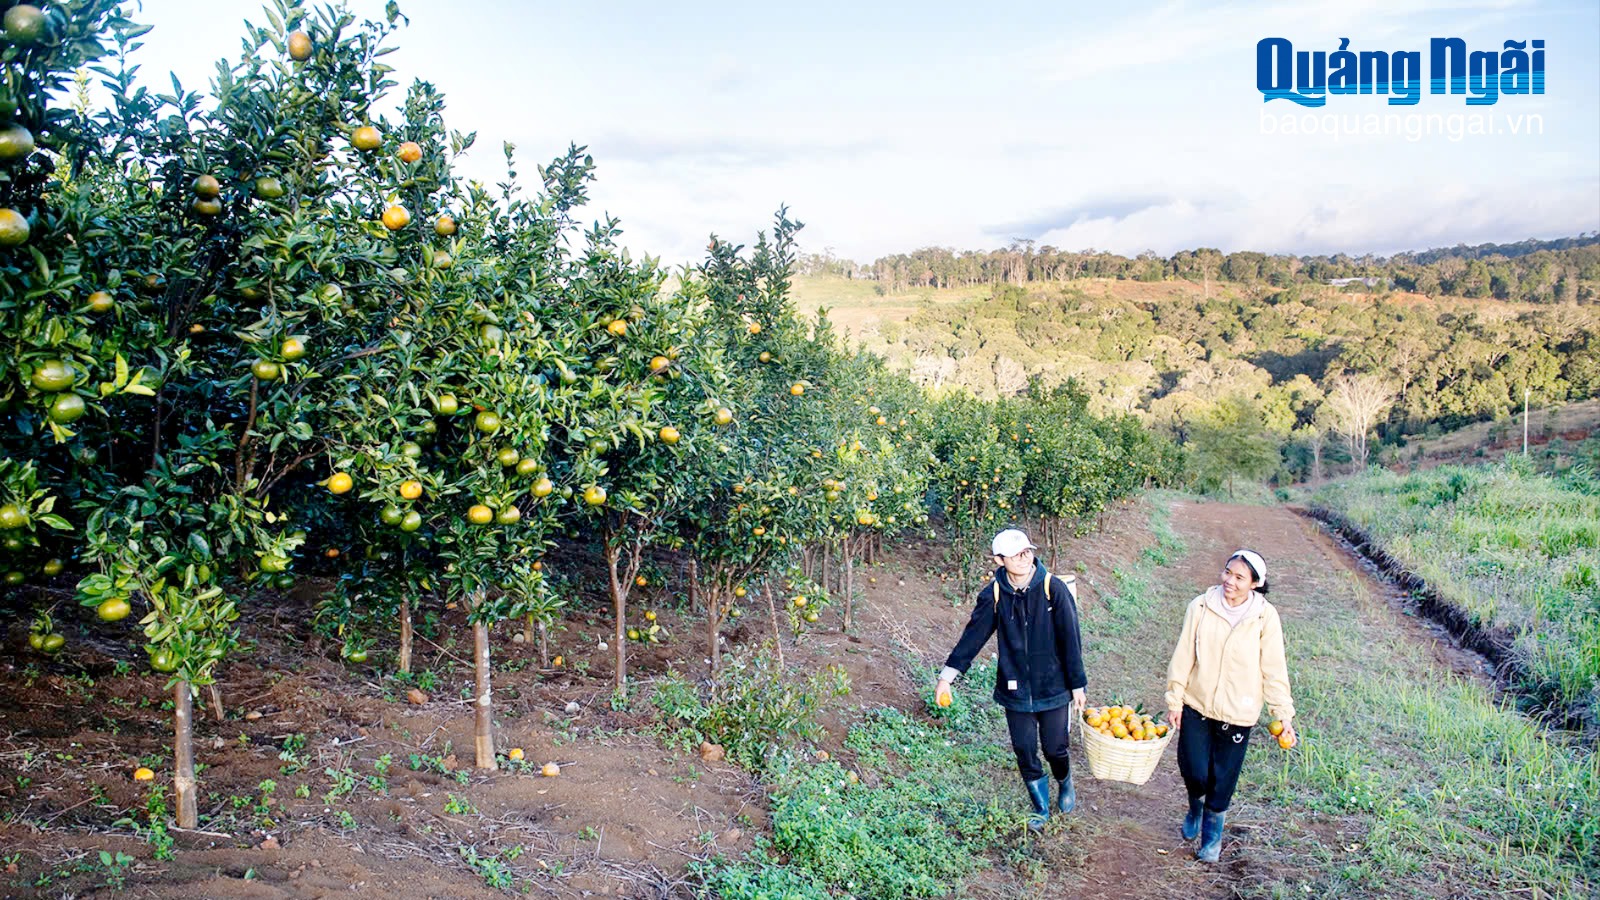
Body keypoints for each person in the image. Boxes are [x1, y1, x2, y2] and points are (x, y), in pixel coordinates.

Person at [934, 528, 1087, 832]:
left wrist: (1077, 684)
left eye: (1027, 551)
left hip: (1053, 684)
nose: (1024, 557)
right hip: (1015, 686)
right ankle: (1040, 806)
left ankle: (1064, 782)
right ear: (999, 559)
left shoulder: (1052, 588)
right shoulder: (994, 595)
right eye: (1015, 554)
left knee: (1055, 747)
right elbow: (972, 637)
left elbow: (1071, 639)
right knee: (1024, 748)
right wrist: (947, 678)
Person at [1164, 549, 1296, 863]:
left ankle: (1211, 840)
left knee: (1223, 778)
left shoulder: (1265, 617)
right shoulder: (1200, 606)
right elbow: (1184, 655)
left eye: (1239, 577)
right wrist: (1175, 699)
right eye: (1228, 573)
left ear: (1255, 584)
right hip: (1197, 704)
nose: (1230, 582)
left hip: (1239, 712)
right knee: (1194, 770)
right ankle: (1195, 806)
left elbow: (1274, 668)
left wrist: (1283, 715)